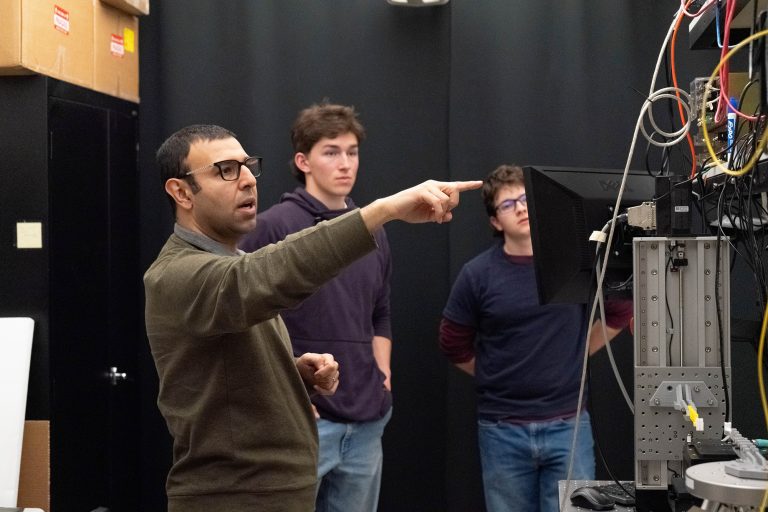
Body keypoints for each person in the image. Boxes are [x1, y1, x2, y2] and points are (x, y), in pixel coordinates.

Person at [144, 123, 481, 512]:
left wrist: (293, 372)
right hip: (234, 497)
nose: (249, 180)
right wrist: (383, 211)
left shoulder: (226, 260)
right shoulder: (175, 274)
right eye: (226, 170)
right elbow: (267, 274)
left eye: (248, 166)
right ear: (181, 192)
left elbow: (219, 372)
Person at [438, 164, 632, 512]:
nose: (521, 208)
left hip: (568, 426)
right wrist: (495, 375)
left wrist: (577, 354)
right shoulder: (478, 275)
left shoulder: (574, 263)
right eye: (508, 204)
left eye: (526, 199)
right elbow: (452, 342)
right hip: (502, 430)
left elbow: (619, 311)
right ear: (495, 222)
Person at [239, 102, 392, 512]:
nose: (345, 163)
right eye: (331, 151)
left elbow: (380, 312)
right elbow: (243, 317)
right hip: (301, 420)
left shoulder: (371, 228)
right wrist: (289, 395)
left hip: (365, 420)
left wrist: (383, 373)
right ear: (303, 160)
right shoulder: (272, 226)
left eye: (352, 151)